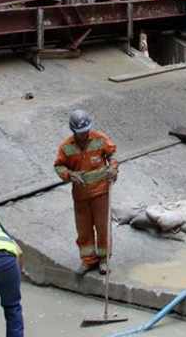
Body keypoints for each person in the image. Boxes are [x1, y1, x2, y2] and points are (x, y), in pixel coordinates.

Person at [54, 109, 118, 274]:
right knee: (84, 230)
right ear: (73, 131)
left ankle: (104, 260)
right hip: (81, 195)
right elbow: (59, 166)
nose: (84, 135)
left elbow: (112, 155)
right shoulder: (66, 147)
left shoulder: (100, 139)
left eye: (86, 131)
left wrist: (113, 168)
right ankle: (88, 260)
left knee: (102, 227)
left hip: (101, 192)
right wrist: (70, 175)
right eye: (80, 132)